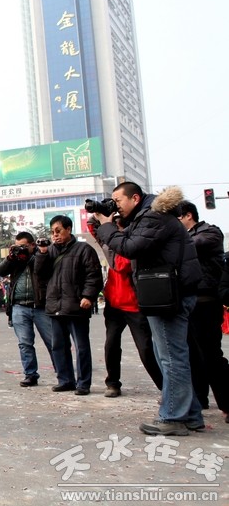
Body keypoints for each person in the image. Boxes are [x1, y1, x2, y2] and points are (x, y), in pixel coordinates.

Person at [94, 183, 204, 436]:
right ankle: (191, 415)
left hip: (168, 296)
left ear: (135, 198)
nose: (115, 206)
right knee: (171, 356)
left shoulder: (153, 216)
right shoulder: (150, 216)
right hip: (167, 294)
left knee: (171, 358)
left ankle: (173, 417)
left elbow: (129, 248)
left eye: (117, 201)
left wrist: (106, 226)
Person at [89, 218, 163, 398]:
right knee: (111, 345)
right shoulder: (112, 241)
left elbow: (121, 265)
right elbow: (93, 227)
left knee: (145, 348)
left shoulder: (134, 244)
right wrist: (101, 215)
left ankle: (165, 387)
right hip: (114, 304)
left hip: (134, 306)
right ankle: (112, 383)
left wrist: (112, 242)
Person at [35, 215, 101, 395]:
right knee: (58, 346)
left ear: (69, 229)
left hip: (76, 306)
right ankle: (65, 380)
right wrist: (42, 253)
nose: (55, 235)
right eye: (52, 232)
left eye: (58, 231)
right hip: (55, 306)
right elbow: (40, 274)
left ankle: (83, 383)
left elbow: (93, 276)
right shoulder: (49, 252)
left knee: (81, 347)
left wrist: (88, 296)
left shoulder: (84, 249)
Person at [177, 200, 229, 422]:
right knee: (192, 354)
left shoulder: (210, 232)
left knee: (210, 355)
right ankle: (199, 398)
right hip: (188, 301)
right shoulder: (184, 238)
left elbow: (193, 245)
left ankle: (227, 402)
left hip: (206, 301)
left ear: (188, 215)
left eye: (178, 218)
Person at [0, 232, 54, 387]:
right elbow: (0, 271)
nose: (20, 249)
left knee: (52, 341)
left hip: (41, 305)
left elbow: (45, 270)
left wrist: (39, 254)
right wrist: (11, 257)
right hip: (19, 306)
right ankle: (30, 374)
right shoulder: (15, 259)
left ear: (32, 245)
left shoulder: (41, 255)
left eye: (23, 246)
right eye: (17, 246)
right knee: (25, 343)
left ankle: (62, 371)